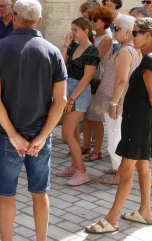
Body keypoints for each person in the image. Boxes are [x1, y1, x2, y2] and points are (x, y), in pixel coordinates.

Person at [0, 0, 67, 241]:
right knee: (40, 193)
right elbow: (60, 101)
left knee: (6, 195)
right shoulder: (53, 52)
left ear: (13, 18)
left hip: (7, 136)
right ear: (38, 21)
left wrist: (12, 135)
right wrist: (42, 137)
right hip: (39, 137)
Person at [85, 18, 152, 234]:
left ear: (148, 35)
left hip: (139, 123)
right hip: (140, 121)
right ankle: (145, 211)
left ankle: (111, 220)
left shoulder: (150, 59)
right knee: (142, 166)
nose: (133, 36)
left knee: (124, 170)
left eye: (137, 32)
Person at [94, 15, 143, 184]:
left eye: (117, 28)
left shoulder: (125, 51)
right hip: (117, 101)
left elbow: (122, 80)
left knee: (115, 140)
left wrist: (114, 103)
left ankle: (120, 176)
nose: (114, 31)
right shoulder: (128, 49)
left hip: (117, 103)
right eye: (114, 28)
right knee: (116, 136)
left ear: (128, 32)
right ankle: (117, 168)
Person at [56, 18, 100, 186]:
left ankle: (82, 172)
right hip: (68, 88)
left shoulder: (92, 51)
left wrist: (71, 99)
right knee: (72, 132)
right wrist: (66, 44)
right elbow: (61, 64)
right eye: (72, 29)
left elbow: (87, 78)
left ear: (85, 31)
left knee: (66, 133)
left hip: (79, 93)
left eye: (75, 29)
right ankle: (75, 167)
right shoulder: (74, 46)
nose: (72, 32)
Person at [81, 6, 114, 162]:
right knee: (86, 116)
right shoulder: (94, 36)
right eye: (91, 19)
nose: (92, 22)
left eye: (95, 19)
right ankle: (85, 145)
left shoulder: (106, 39)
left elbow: (95, 58)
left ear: (104, 22)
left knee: (95, 118)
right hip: (88, 79)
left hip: (97, 80)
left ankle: (97, 150)